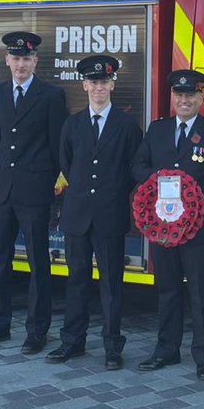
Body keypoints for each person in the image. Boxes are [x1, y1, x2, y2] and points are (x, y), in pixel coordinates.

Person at [131, 69, 204, 380]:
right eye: (179, 95)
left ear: (201, 98)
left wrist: (198, 204)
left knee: (201, 292)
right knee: (167, 290)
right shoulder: (157, 130)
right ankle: (166, 349)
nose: (184, 100)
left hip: (199, 230)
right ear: (172, 98)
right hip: (163, 227)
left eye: (190, 95)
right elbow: (137, 165)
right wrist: (156, 183)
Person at [46, 54, 142, 369]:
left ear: (112, 84)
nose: (98, 88)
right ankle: (72, 342)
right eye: (93, 82)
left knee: (112, 284)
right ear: (84, 85)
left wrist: (109, 194)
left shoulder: (127, 124)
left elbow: (132, 168)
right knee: (76, 280)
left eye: (104, 82)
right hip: (77, 214)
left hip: (110, 213)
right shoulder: (72, 124)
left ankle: (113, 347)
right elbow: (67, 163)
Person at [0, 31, 68, 353]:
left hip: (35, 189)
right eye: (15, 59)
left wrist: (51, 183)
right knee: (0, 260)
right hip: (3, 189)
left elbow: (59, 146)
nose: (20, 64)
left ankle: (37, 330)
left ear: (35, 62)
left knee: (37, 261)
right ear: (7, 60)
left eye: (26, 59)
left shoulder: (51, 95)